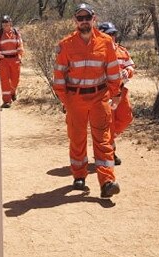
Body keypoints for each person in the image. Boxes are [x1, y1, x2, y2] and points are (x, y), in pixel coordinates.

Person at [53, 3, 122, 198]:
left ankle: (107, 181)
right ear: (75, 21)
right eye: (80, 18)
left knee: (103, 140)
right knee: (77, 138)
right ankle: (79, 175)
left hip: (100, 97)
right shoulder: (66, 45)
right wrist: (66, 101)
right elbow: (59, 76)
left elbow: (113, 70)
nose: (84, 21)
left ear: (94, 19)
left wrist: (116, 93)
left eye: (87, 17)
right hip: (75, 99)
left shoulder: (106, 42)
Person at [98, 22, 135, 166]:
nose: (112, 37)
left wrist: (128, 71)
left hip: (121, 90)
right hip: (105, 93)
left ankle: (108, 140)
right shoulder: (97, 53)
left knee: (126, 118)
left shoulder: (122, 51)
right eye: (108, 34)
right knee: (109, 123)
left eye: (113, 34)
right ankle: (110, 153)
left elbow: (130, 65)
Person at [0, 15, 24, 108]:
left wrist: (19, 55)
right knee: (4, 80)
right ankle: (6, 101)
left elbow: (20, 45)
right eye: (3, 23)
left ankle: (12, 92)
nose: (5, 24)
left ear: (10, 23)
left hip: (15, 60)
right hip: (3, 61)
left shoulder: (16, 33)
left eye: (7, 22)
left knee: (15, 80)